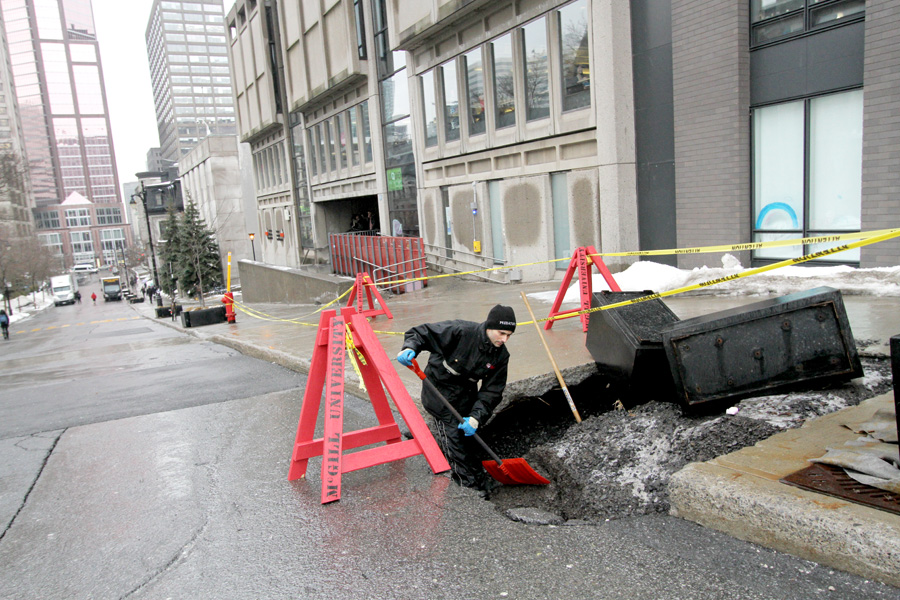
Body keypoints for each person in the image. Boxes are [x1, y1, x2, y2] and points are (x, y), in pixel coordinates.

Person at [396, 304, 517, 495]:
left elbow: (492, 391)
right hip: (438, 388)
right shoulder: (460, 331)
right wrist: (409, 348)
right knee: (453, 434)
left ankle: (480, 475)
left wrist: (476, 417)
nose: (504, 339)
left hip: (465, 392)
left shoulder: (501, 355)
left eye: (509, 335)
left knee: (470, 435)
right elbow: (422, 333)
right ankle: (466, 485)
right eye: (501, 333)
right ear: (489, 326)